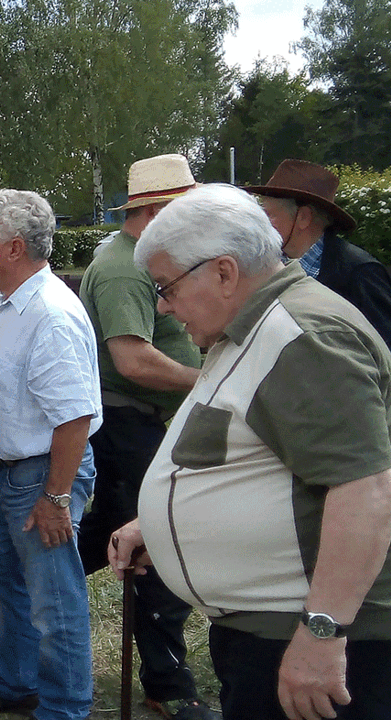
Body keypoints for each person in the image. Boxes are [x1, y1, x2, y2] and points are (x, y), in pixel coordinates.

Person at [109, 183, 391, 720]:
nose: (165, 308)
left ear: (223, 271)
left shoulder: (300, 336)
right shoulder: (249, 326)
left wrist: (322, 630)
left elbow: (364, 489)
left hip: (303, 635)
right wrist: (160, 523)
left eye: (166, 287)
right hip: (266, 630)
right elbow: (253, 451)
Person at [77, 155, 216, 720]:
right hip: (129, 427)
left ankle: (38, 637)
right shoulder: (123, 268)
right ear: (158, 211)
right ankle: (167, 684)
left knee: (109, 539)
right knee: (155, 544)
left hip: (137, 425)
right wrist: (211, 382)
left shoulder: (138, 260)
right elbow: (132, 359)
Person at [0, 189, 101, 720]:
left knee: (54, 601)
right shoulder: (16, 302)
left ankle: (64, 710)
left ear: (14, 248)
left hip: (43, 474)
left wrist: (56, 497)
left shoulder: (50, 313)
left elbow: (74, 417)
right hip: (19, 471)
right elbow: (20, 395)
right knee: (11, 582)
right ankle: (18, 686)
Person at [248, 159, 391, 346]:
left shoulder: (359, 273)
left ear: (303, 218)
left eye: (269, 215)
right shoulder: (269, 264)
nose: (262, 224)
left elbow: (384, 352)